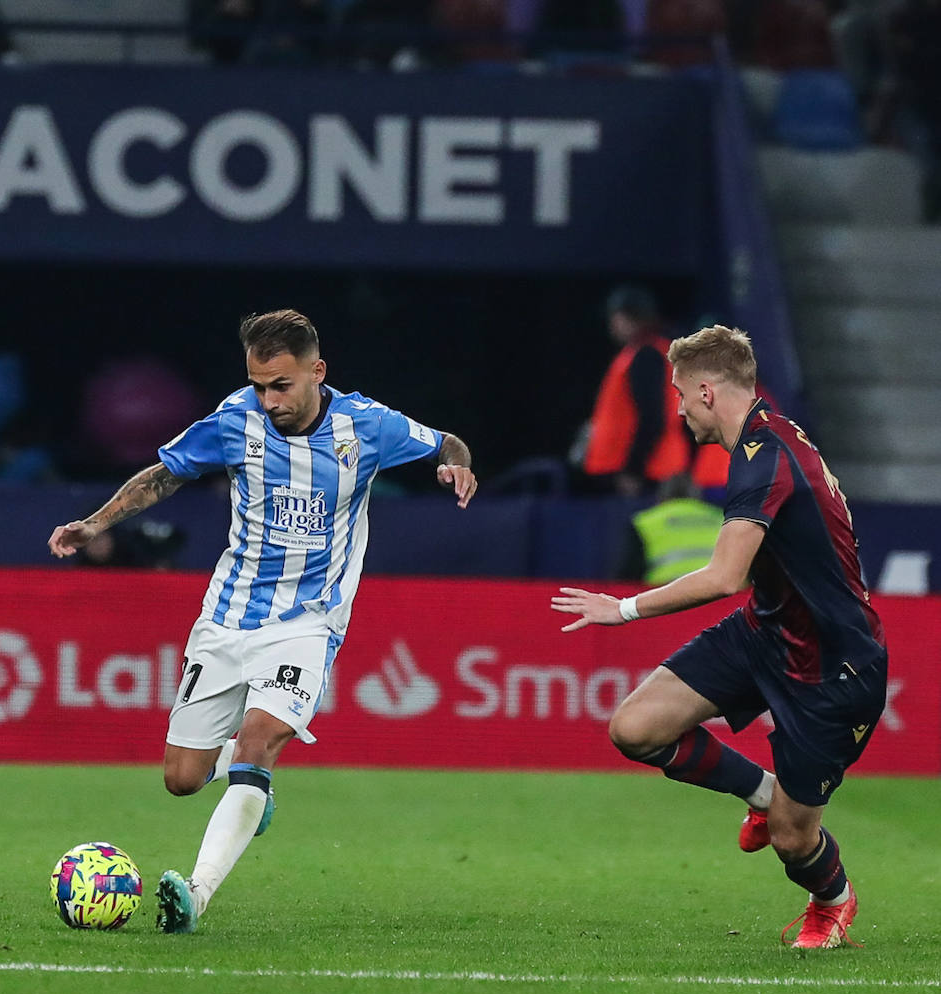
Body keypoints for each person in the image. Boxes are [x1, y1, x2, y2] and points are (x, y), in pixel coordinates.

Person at [47, 309, 476, 934]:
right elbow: (163, 476)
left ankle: (194, 893)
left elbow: (446, 441)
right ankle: (254, 791)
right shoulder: (235, 419)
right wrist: (95, 523)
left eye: (282, 385)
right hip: (226, 618)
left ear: (316, 372)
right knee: (182, 779)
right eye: (259, 385)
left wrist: (456, 464)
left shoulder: (367, 425)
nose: (269, 400)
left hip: (307, 622)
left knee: (258, 743)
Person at [552, 325, 887, 950]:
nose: (676, 410)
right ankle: (762, 792)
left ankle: (833, 902)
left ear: (707, 392)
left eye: (680, 395)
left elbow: (726, 576)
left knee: (793, 838)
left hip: (834, 669)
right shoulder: (764, 441)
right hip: (766, 631)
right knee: (636, 728)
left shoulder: (767, 459)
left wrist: (622, 609)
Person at [578, 286, 691, 496]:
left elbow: (653, 418)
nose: (612, 324)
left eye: (615, 317)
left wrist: (633, 470)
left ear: (628, 318)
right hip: (650, 470)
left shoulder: (647, 356)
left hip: (647, 474)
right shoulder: (646, 353)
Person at [619, 472, 723, 585]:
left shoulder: (644, 521)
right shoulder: (721, 518)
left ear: (660, 496)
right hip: (714, 588)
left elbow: (631, 572)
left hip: (664, 589)